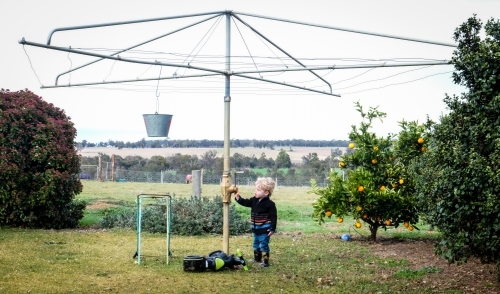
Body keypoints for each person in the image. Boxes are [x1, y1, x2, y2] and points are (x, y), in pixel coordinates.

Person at [234, 177, 277, 267]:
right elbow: (246, 202)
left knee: (263, 245)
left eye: (258, 190)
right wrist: (239, 199)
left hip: (265, 230)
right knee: (256, 244)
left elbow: (274, 217)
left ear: (266, 192)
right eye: (255, 189)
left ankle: (265, 262)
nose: (255, 191)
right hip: (256, 229)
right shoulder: (254, 200)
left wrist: (272, 229)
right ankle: (257, 258)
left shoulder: (270, 204)